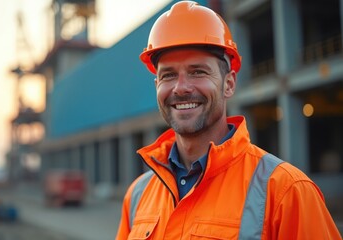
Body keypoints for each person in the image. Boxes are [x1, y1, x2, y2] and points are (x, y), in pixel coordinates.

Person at [116, 1, 341, 239]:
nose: (180, 88)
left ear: (229, 84)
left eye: (198, 72)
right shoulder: (138, 196)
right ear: (156, 86)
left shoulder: (286, 191)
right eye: (168, 75)